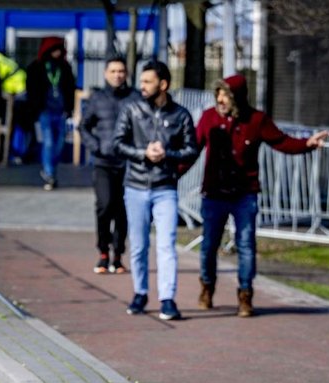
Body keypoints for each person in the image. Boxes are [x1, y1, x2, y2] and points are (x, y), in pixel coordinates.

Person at [192, 74, 329, 317]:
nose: (220, 99)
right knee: (208, 246)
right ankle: (207, 287)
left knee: (246, 245)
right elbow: (192, 149)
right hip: (214, 194)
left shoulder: (256, 120)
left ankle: (245, 295)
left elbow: (282, 142)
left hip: (245, 194)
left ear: (238, 96)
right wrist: (171, 173)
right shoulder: (208, 118)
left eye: (225, 94)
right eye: (218, 94)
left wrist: (307, 144)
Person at [111, 60, 199, 320]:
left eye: (148, 81)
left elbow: (191, 149)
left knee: (166, 244)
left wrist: (167, 154)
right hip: (136, 186)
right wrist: (143, 153)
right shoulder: (132, 108)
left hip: (165, 188)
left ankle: (167, 299)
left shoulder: (180, 115)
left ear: (163, 84)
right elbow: (118, 143)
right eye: (141, 81)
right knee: (138, 246)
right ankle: (140, 293)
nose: (142, 86)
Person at [79, 56, 139, 275]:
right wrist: (95, 146)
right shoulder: (97, 98)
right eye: (113, 71)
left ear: (127, 74)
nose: (117, 75)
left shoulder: (135, 98)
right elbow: (83, 126)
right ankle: (103, 252)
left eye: (121, 71)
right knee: (105, 205)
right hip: (103, 162)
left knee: (122, 209)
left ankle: (118, 255)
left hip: (128, 163)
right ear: (106, 74)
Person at [26, 37, 76, 191]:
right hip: (45, 111)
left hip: (60, 111)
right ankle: (49, 173)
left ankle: (51, 170)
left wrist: (70, 108)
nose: (57, 52)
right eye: (54, 49)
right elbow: (31, 89)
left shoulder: (65, 67)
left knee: (59, 144)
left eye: (59, 49)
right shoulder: (37, 67)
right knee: (48, 142)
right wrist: (36, 107)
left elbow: (70, 88)